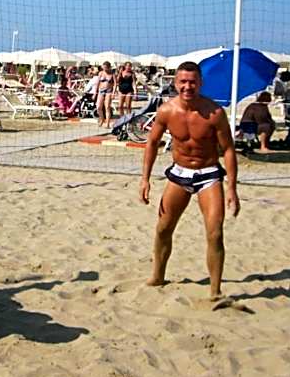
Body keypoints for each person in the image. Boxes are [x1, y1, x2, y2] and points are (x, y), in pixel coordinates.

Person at [139, 61, 240, 307]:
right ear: (175, 83)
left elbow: (228, 149)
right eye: (183, 81)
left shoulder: (214, 113)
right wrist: (145, 179)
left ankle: (215, 290)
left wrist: (232, 188)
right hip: (179, 173)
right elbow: (151, 143)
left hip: (209, 174)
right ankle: (158, 276)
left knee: (215, 232)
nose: (187, 86)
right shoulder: (166, 111)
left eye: (192, 81)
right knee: (163, 228)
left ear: (200, 83)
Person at [95, 61, 115, 127]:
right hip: (101, 91)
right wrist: (95, 92)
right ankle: (102, 118)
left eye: (106, 68)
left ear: (109, 67)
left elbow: (115, 84)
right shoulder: (101, 73)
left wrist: (113, 93)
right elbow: (97, 83)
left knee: (107, 107)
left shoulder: (112, 74)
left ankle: (108, 123)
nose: (105, 69)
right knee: (98, 107)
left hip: (109, 91)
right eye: (103, 68)